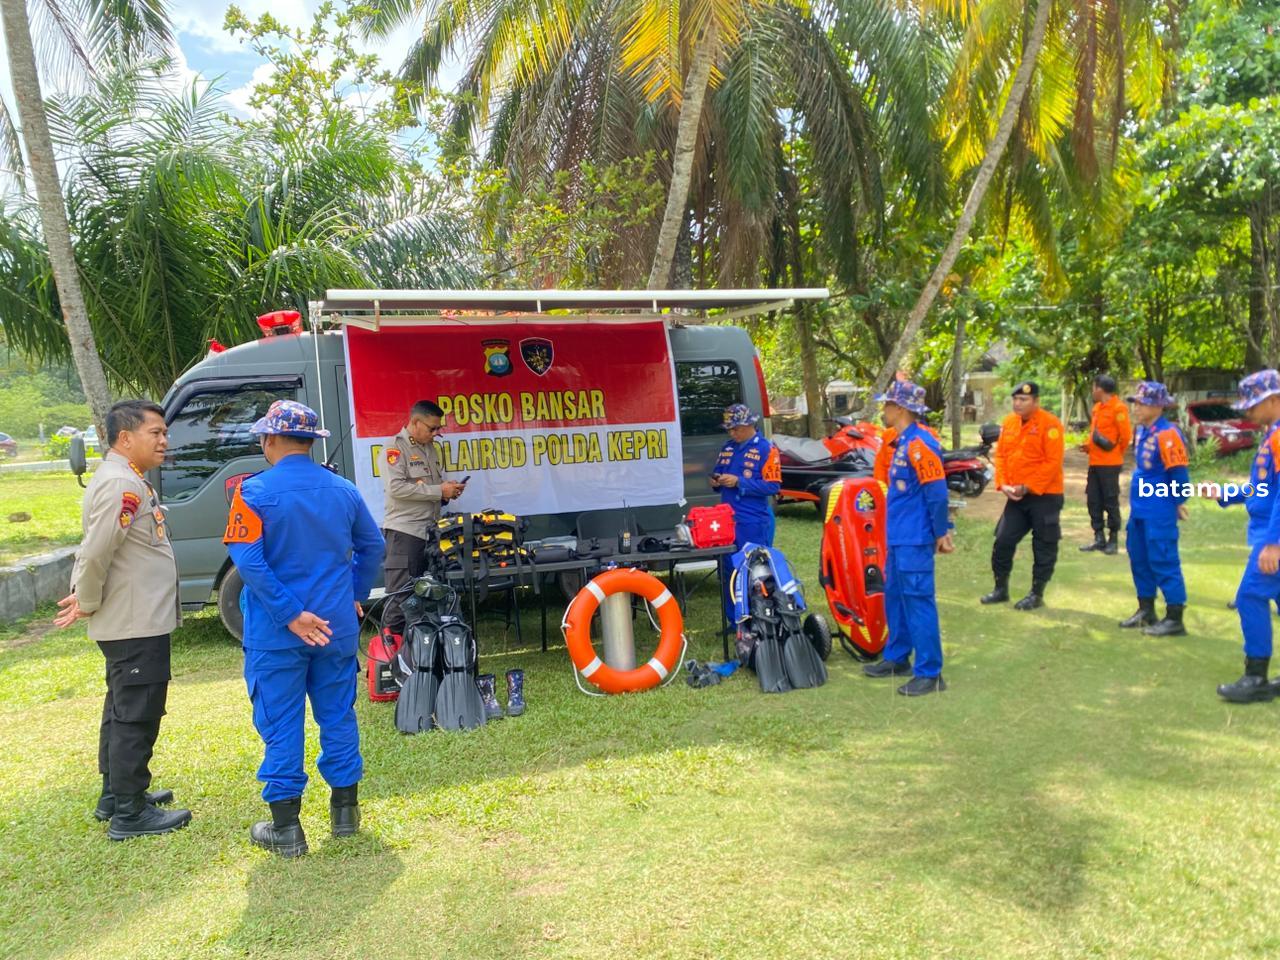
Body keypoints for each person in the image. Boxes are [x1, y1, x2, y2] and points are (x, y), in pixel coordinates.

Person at [224, 400, 384, 857]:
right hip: (335, 627)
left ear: (270, 440)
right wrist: (352, 594)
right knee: (338, 714)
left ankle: (287, 830)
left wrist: (290, 614)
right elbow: (371, 547)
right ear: (313, 443)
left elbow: (248, 561)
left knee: (280, 722)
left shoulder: (252, 492)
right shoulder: (344, 490)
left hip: (277, 635)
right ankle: (346, 815)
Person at [55, 400, 192, 840]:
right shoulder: (121, 485)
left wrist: (87, 595)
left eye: (164, 432)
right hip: (135, 621)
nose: (164, 440)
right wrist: (88, 600)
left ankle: (116, 796)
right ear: (125, 437)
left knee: (121, 707)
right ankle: (130, 815)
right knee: (136, 713)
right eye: (155, 432)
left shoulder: (125, 478)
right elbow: (96, 552)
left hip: (136, 617)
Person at [861, 380, 954, 695]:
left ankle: (930, 672)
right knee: (896, 598)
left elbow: (937, 494)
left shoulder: (920, 444)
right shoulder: (901, 441)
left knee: (918, 601)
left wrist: (942, 533)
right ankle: (897, 656)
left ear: (899, 408)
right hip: (898, 536)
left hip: (915, 538)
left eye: (887, 404)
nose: (884, 409)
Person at [1216, 371, 1280, 702]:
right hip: (1268, 531)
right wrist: (1229, 494)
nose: (1248, 413)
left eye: (1252, 406)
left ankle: (1255, 678)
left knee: (1250, 597)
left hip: (1273, 537)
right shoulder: (1272, 434)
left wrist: (1273, 542)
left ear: (1272, 400)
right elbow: (1265, 486)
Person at [379, 400, 466, 641]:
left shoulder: (430, 449)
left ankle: (421, 649)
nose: (436, 433)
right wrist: (439, 491)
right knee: (401, 596)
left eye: (438, 429)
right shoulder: (395, 449)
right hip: (405, 533)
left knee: (428, 595)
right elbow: (396, 488)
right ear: (415, 422)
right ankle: (390, 654)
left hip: (430, 531)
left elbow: (426, 489)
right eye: (432, 428)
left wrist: (447, 494)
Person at [981, 381, 1065, 610]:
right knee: (1003, 540)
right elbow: (1001, 457)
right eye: (1015, 399)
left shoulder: (1050, 424)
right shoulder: (1009, 423)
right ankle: (1000, 589)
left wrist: (1027, 487)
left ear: (1036, 401)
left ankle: (1036, 593)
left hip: (1045, 495)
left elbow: (1052, 463)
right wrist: (1003, 484)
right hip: (1016, 496)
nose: (1018, 403)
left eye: (1024, 400)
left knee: (1044, 544)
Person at [1118, 382, 1190, 636]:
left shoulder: (1168, 434)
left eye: (1142, 403)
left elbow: (1179, 475)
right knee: (1139, 557)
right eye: (1135, 402)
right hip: (1140, 509)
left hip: (1159, 509)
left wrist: (1178, 502)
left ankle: (1174, 617)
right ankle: (1146, 610)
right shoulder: (1142, 431)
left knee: (1164, 559)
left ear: (1158, 406)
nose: (1136, 407)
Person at [710, 403, 782, 549]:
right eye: (729, 430)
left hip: (752, 519)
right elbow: (718, 471)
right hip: (726, 517)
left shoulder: (766, 449)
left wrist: (739, 482)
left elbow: (773, 486)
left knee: (751, 565)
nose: (732, 433)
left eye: (736, 429)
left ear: (749, 424)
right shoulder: (728, 447)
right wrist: (716, 481)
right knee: (728, 565)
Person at [1079, 374, 1131, 554]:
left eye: (1094, 388)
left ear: (1100, 389)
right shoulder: (1097, 408)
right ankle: (1098, 537)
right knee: (1093, 500)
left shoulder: (1119, 408)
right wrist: (1088, 446)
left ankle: (1113, 539)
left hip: (1110, 464)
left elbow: (1125, 437)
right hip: (1095, 462)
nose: (1092, 391)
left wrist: (1115, 453)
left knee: (1110, 500)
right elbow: (1096, 432)